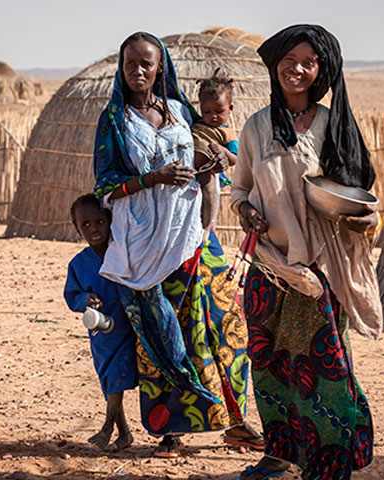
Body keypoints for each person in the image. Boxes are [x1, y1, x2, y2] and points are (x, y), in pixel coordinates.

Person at [92, 31, 262, 458]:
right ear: (121, 67)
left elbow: (210, 155)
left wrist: (220, 162)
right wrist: (151, 178)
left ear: (160, 66)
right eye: (130, 63)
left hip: (195, 234)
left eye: (146, 63)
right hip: (147, 243)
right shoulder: (113, 121)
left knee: (224, 323)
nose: (138, 71)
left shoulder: (181, 111)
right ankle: (170, 431)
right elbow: (104, 185)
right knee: (164, 334)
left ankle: (235, 422)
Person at [230, 24, 383, 479]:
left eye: (308, 62)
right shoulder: (257, 126)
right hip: (270, 265)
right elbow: (241, 187)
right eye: (289, 60)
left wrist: (366, 220)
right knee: (269, 362)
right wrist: (245, 212)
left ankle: (332, 459)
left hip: (318, 270)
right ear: (276, 64)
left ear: (321, 71)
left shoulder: (332, 124)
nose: (297, 69)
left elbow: (361, 196)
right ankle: (279, 451)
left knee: (324, 366)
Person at [63, 194, 137, 453]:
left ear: (110, 221)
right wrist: (86, 299)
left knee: (117, 379)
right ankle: (125, 434)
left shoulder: (123, 252)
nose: (93, 228)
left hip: (125, 329)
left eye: (100, 221)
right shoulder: (79, 264)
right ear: (77, 228)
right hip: (100, 334)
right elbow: (71, 296)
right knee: (109, 382)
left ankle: (107, 427)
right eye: (86, 225)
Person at [192, 68, 238, 233]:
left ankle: (205, 229)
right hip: (187, 172)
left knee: (209, 192)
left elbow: (236, 159)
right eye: (207, 111)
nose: (213, 116)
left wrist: (223, 152)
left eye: (219, 112)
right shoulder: (195, 123)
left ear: (230, 108)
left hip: (206, 171)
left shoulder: (228, 133)